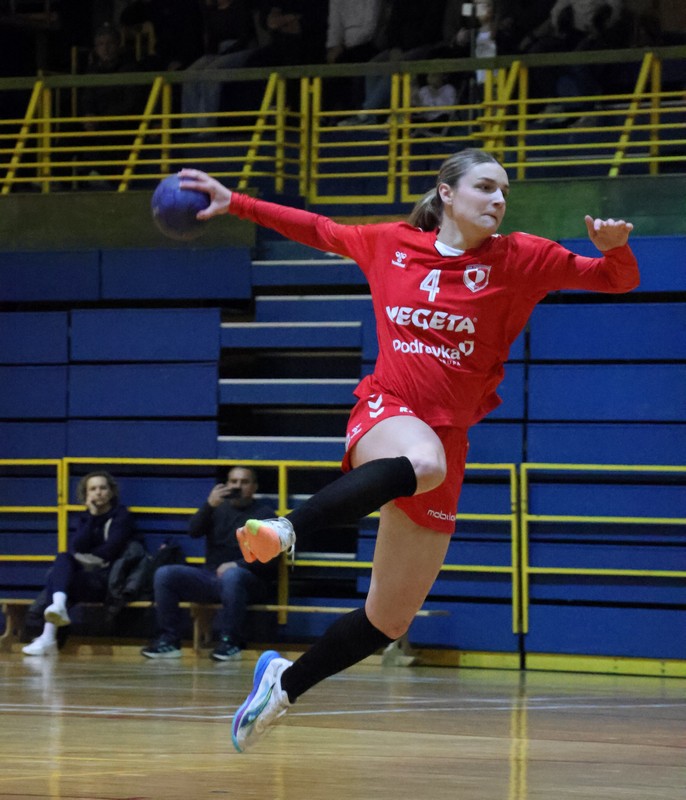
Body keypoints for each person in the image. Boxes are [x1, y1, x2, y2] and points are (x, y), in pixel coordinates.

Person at [177, 147, 639, 751]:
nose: (499, 199)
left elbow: (617, 279)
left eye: (504, 191)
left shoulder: (522, 257)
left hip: (447, 441)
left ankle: (282, 686)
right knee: (422, 462)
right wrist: (236, 202)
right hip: (387, 410)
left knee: (388, 619)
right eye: (485, 187)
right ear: (447, 193)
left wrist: (614, 249)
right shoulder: (390, 244)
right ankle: (284, 530)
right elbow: (317, 228)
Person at [140, 466, 277, 661]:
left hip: (250, 581)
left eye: (244, 482)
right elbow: (193, 531)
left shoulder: (265, 514)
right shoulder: (216, 508)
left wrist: (237, 564)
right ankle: (169, 640)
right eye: (233, 481)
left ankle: (230, 642)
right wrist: (209, 505)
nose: (238, 486)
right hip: (211, 577)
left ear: (254, 487)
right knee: (165, 574)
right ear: (226, 484)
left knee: (232, 576)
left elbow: (270, 557)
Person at [22, 471, 137, 656]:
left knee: (56, 578)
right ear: (86, 494)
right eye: (93, 489)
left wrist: (85, 555)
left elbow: (110, 551)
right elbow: (77, 546)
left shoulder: (121, 516)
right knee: (63, 558)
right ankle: (57, 609)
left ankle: (49, 637)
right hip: (85, 577)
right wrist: (92, 516)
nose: (98, 492)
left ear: (111, 492)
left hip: (107, 581)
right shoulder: (85, 517)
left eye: (103, 488)